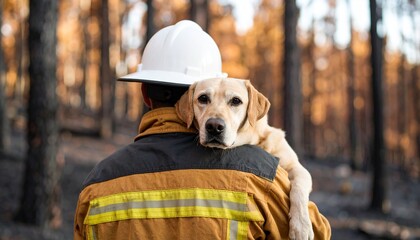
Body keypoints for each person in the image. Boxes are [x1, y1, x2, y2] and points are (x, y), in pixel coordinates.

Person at [74, 20, 331, 240]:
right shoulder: (262, 177)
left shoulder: (95, 183)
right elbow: (318, 234)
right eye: (204, 100)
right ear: (189, 101)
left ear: (144, 94)